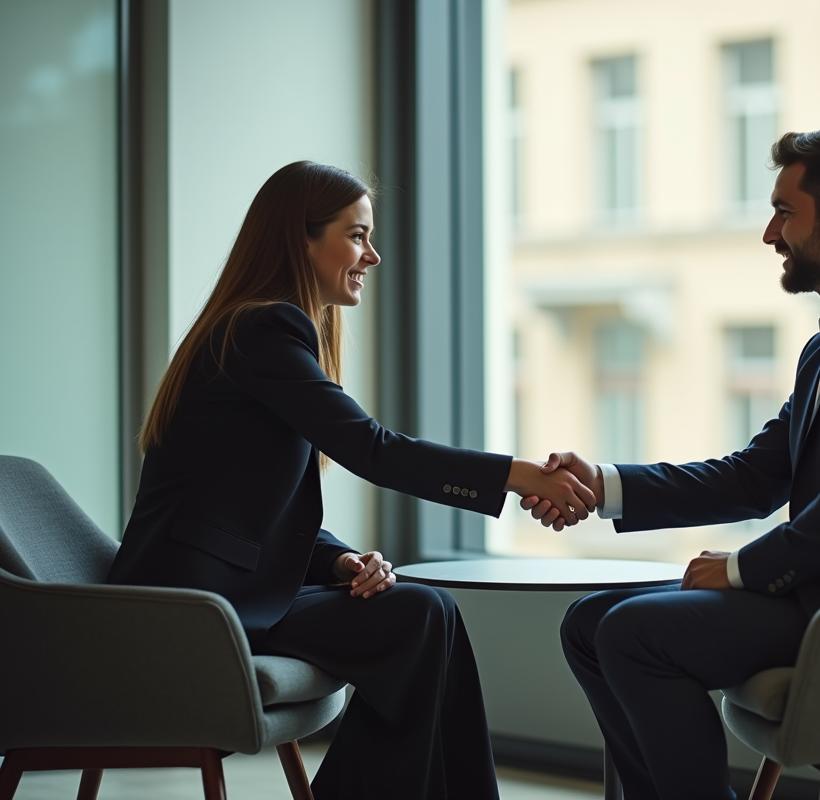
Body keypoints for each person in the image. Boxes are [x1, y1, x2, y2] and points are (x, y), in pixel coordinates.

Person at [523, 124, 820, 799]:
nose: (770, 234)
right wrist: (605, 485)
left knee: (631, 633)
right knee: (588, 625)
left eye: (783, 212)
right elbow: (755, 475)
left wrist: (743, 568)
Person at [107, 161, 596, 800]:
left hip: (233, 592)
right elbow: (373, 449)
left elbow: (244, 511)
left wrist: (339, 561)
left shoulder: (260, 330)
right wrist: (517, 475)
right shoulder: (261, 328)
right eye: (357, 235)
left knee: (425, 611)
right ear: (300, 239)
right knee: (420, 614)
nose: (374, 255)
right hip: (192, 606)